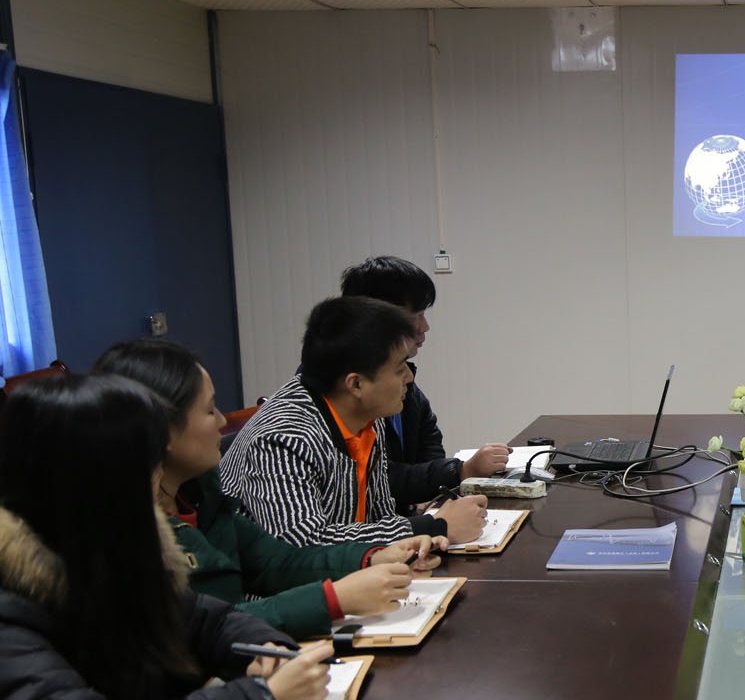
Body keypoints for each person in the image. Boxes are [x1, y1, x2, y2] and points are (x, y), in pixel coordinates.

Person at [0, 375, 332, 700]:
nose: (156, 486)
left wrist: (266, 650)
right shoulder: (12, 605)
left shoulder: (101, 551)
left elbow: (206, 619)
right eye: (145, 469)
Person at [96, 339, 447, 639]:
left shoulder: (201, 494)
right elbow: (206, 630)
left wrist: (371, 557)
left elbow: (275, 562)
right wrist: (333, 600)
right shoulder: (126, 534)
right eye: (209, 410)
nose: (222, 421)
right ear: (163, 431)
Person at [221, 296, 487, 546]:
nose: (409, 377)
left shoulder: (365, 414)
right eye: (399, 369)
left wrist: (417, 539)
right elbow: (302, 545)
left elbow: (378, 515)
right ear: (356, 384)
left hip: (354, 570)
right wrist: (432, 527)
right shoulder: (283, 439)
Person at [340, 256, 511, 508]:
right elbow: (375, 477)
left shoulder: (400, 376)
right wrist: (460, 471)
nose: (425, 327)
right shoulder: (346, 393)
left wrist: (430, 496)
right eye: (416, 316)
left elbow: (428, 439)